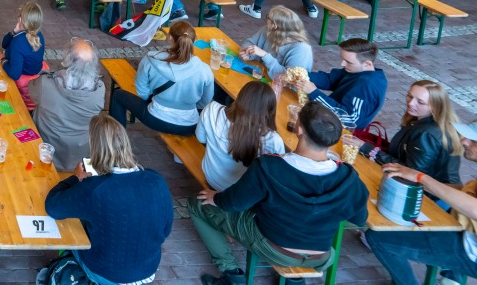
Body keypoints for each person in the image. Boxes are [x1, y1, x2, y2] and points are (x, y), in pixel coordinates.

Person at [191, 101, 369, 285]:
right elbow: (359, 218)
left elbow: (233, 203)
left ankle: (231, 273)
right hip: (321, 257)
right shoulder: (350, 178)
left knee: (197, 203)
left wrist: (215, 198)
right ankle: (295, 282)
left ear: (299, 128)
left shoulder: (269, 167)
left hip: (274, 247)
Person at [43, 115, 173, 285]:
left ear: (95, 150)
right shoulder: (156, 180)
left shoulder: (96, 189)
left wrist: (76, 178)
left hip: (106, 272)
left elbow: (53, 206)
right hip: (148, 269)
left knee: (74, 226)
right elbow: (166, 230)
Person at [363, 121, 477, 285]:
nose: (464, 141)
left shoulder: (427, 132)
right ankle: (452, 277)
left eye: (473, 140)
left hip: (470, 252)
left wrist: (420, 177)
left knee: (377, 238)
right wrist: (418, 182)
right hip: (466, 233)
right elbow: (464, 190)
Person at [108, 20, 213, 136]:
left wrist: (153, 98)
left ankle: (116, 140)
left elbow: (142, 92)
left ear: (170, 38)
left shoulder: (151, 59)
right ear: (194, 41)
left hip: (155, 119)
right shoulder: (205, 69)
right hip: (189, 125)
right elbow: (205, 102)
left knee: (118, 95)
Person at [364, 79, 462, 186]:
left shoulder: (426, 134)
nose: (410, 103)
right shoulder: (424, 121)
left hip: (429, 197)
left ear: (435, 107)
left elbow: (411, 172)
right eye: (410, 96)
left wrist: (367, 148)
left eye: (420, 102)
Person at [29, 38, 105, 171]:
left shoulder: (46, 84)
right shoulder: (100, 90)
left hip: (47, 152)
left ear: (67, 58)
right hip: (80, 157)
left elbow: (31, 92)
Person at [195, 80, 285, 192]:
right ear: (269, 110)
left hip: (211, 176)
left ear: (240, 98)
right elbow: (274, 175)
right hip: (238, 192)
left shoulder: (211, 109)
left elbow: (200, 138)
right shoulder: (272, 140)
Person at [296, 37, 387, 130]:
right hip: (327, 117)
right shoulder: (357, 70)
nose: (342, 64)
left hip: (339, 130)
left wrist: (314, 92)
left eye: (348, 62)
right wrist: (300, 74)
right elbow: (330, 79)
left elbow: (350, 120)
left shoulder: (366, 86)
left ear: (367, 64)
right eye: (343, 59)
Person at [239, 6, 313, 77]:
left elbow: (288, 78)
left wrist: (265, 55)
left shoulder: (301, 50)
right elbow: (249, 43)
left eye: (268, 17)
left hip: (284, 88)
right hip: (262, 74)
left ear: (275, 25)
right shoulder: (267, 30)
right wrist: (249, 53)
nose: (266, 19)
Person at [0, 1, 45, 105]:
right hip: (35, 69)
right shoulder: (39, 35)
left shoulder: (18, 41)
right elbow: (4, 44)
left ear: (21, 19)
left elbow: (15, 74)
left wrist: (3, 60)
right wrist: (15, 31)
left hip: (23, 74)